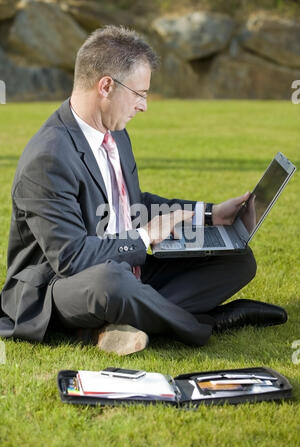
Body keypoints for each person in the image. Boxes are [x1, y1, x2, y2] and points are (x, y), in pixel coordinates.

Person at [0, 26, 286, 355]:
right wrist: (143, 238)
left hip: (123, 266)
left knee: (237, 260)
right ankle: (211, 321)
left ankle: (127, 320)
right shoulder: (48, 157)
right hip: (62, 286)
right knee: (112, 283)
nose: (144, 106)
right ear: (106, 86)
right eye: (140, 93)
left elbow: (132, 205)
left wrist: (208, 214)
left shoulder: (115, 132)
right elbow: (70, 257)